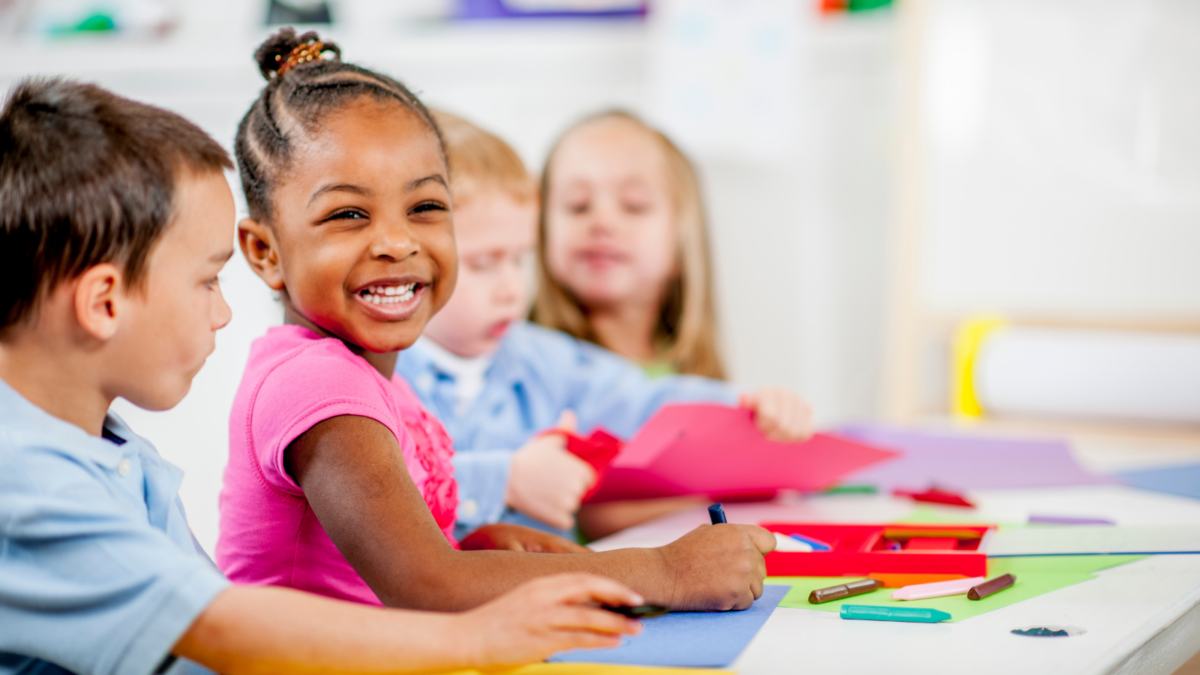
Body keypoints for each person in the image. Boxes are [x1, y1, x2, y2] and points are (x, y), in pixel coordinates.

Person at [0, 77, 644, 675]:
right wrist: (480, 635)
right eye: (205, 282)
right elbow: (216, 626)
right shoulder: (27, 485)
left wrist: (473, 558)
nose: (223, 313)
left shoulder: (108, 452)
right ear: (103, 303)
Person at [218, 28, 775, 614]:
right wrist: (665, 570)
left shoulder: (376, 380)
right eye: (348, 213)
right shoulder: (318, 386)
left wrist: (479, 547)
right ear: (265, 252)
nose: (396, 241)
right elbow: (427, 586)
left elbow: (397, 569)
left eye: (425, 207)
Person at [399, 111, 814, 539]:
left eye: (521, 260)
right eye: (484, 263)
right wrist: (504, 481)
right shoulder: (379, 373)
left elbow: (643, 401)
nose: (512, 289)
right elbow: (374, 489)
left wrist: (747, 406)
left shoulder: (543, 358)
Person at [534, 111, 730, 379]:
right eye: (578, 205)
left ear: (681, 243)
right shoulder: (521, 370)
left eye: (634, 205)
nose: (602, 222)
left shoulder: (698, 387)